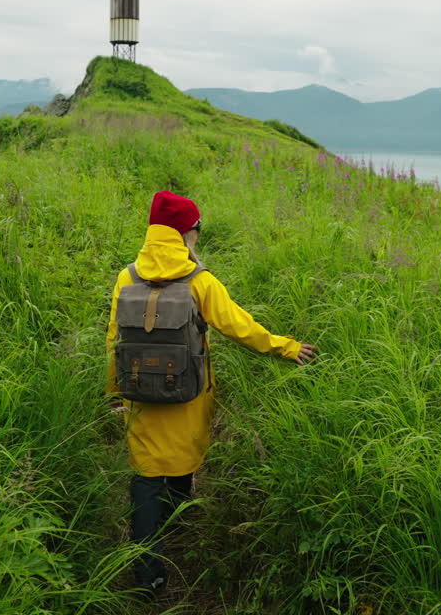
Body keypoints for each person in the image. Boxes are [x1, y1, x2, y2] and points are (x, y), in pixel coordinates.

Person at [105, 190, 316, 595]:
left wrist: (114, 391)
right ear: (187, 231)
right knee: (182, 460)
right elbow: (239, 326)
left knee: (146, 476)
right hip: (188, 395)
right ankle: (177, 527)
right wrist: (286, 346)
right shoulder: (199, 281)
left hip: (140, 395)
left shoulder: (127, 277)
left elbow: (114, 339)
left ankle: (148, 574)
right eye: (197, 229)